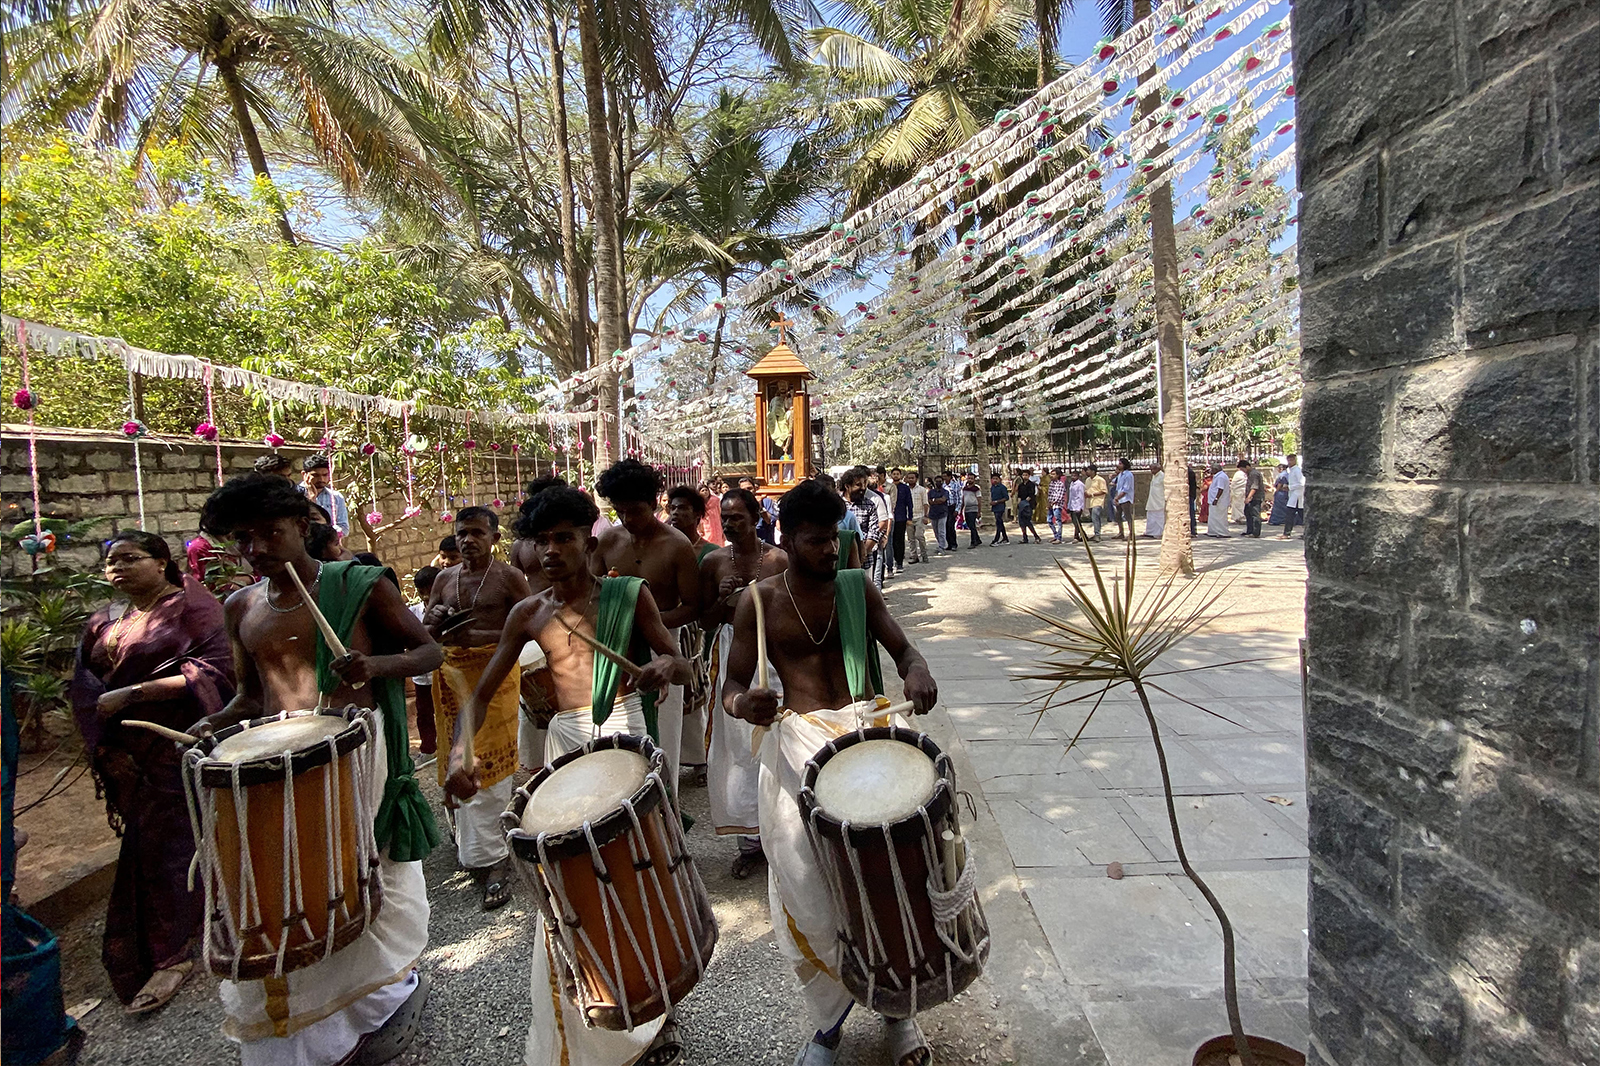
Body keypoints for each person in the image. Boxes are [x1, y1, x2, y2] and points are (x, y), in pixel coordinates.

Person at [194, 472, 441, 1066]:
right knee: (294, 892)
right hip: (278, 762)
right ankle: (320, 1026)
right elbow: (251, 698)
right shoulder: (240, 606)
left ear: (303, 526)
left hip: (354, 756)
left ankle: (382, 1002)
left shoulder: (359, 584)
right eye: (242, 540)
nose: (255, 550)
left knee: (360, 878)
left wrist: (373, 666)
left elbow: (428, 651)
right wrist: (216, 722)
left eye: (268, 534)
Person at [441, 485, 692, 1066]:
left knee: (641, 874)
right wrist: (459, 754)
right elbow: (478, 697)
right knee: (572, 886)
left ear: (589, 540)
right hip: (567, 748)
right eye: (540, 540)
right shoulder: (529, 613)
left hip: (629, 737)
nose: (550, 551)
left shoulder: (631, 597)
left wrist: (663, 666)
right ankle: (594, 996)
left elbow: (679, 663)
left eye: (564, 538)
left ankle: (659, 1009)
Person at [720, 480, 938, 1066]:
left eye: (835, 539)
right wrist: (747, 706)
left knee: (889, 881)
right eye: (816, 542)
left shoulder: (858, 588)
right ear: (786, 539)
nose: (831, 552)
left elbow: (905, 652)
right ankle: (826, 1028)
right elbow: (731, 689)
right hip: (797, 754)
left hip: (871, 746)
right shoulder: (758, 602)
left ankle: (899, 1015)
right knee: (807, 887)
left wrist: (916, 673)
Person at [68, 531, 235, 1014]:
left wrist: (136, 694)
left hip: (180, 746)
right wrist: (106, 742)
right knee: (149, 846)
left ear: (162, 562)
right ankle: (185, 930)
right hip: (126, 755)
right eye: (110, 562)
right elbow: (82, 683)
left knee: (178, 844)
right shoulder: (106, 619)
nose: (117, 568)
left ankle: (174, 953)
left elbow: (217, 671)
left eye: (130, 558)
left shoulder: (195, 609)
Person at [422, 507, 530, 910]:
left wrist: (486, 633)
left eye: (477, 533)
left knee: (486, 761)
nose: (469, 540)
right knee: (455, 756)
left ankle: (497, 860)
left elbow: (531, 623)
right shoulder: (444, 579)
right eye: (462, 533)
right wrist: (434, 620)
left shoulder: (508, 577)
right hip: (451, 678)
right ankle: (470, 847)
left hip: (497, 676)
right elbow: (428, 633)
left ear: (493, 537)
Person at [593, 459, 702, 791]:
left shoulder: (677, 546)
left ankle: (663, 803)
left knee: (661, 734)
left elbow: (694, 606)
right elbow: (591, 595)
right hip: (616, 646)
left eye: (636, 511)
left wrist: (648, 622)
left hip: (663, 646)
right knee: (619, 732)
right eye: (620, 512)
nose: (628, 520)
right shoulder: (608, 542)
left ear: (655, 505)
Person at [699, 487, 789, 877]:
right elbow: (703, 620)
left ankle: (783, 835)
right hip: (732, 658)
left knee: (778, 738)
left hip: (775, 655)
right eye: (727, 516)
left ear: (756, 516)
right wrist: (720, 601)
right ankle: (750, 844)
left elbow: (794, 608)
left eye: (739, 516)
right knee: (737, 748)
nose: (732, 523)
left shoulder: (780, 560)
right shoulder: (714, 562)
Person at [667, 484, 718, 779]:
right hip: (669, 628)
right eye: (672, 507)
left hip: (698, 633)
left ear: (698, 515)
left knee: (697, 691)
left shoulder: (710, 554)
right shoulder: (661, 545)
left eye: (683, 508)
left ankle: (700, 757)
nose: (676, 513)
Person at [409, 566, 441, 755]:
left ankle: (451, 747)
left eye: (431, 591)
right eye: (422, 592)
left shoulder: (447, 611)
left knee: (448, 711)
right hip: (422, 676)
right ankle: (428, 749)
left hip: (443, 673)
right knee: (425, 713)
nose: (426, 596)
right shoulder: (413, 613)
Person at [841, 466, 889, 590]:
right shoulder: (837, 505)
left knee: (863, 592)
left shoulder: (869, 505)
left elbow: (874, 531)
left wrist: (861, 554)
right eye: (858, 485)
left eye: (864, 484)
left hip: (865, 559)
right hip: (841, 558)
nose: (863, 488)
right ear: (847, 486)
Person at [816, 474, 865, 570]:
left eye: (834, 537)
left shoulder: (848, 516)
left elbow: (857, 568)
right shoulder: (807, 520)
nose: (831, 547)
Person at [300, 455, 349, 538]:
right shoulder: (295, 494)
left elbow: (344, 528)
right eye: (316, 475)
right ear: (304, 474)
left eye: (325, 475)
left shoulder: (336, 497)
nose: (321, 479)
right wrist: (311, 499)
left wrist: (328, 533)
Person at [888, 468, 913, 572]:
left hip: (901, 518)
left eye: (897, 474)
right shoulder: (888, 488)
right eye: (894, 474)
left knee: (900, 541)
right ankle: (891, 562)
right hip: (890, 518)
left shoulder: (905, 488)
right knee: (891, 541)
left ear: (901, 475)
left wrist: (910, 517)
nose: (896, 476)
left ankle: (899, 563)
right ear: (891, 475)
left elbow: (909, 503)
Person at [907, 472, 929, 564]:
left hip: (920, 516)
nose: (911, 479)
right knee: (911, 538)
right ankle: (914, 556)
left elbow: (925, 503)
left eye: (912, 478)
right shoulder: (905, 490)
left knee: (919, 536)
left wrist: (926, 516)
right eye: (909, 478)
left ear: (916, 479)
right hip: (909, 517)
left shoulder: (922, 490)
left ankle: (924, 555)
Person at [1282, 454, 1306, 538]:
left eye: (1291, 460)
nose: (1289, 462)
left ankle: (1287, 533)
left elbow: (1302, 483)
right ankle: (1287, 533)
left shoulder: (1297, 470)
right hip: (1293, 496)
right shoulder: (1291, 471)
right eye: (1288, 460)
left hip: (1297, 496)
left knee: (1293, 514)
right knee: (1298, 515)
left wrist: (1290, 487)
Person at [1206, 464, 1232, 537]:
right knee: (1213, 516)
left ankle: (1222, 532)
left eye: (1212, 469)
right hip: (1213, 500)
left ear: (1216, 469)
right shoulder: (1217, 476)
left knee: (1220, 518)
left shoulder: (1221, 477)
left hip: (1219, 501)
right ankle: (1213, 531)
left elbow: (1220, 489)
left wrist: (1216, 498)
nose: (1211, 470)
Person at [1084, 464, 1108, 541]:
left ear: (1093, 471)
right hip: (1089, 502)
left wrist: (1092, 494)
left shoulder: (1100, 480)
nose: (1087, 472)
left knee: (1095, 517)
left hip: (1097, 501)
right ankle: (1095, 534)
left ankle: (1097, 534)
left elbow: (1104, 491)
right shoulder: (1087, 480)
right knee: (1093, 518)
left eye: (1088, 470)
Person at [1241, 459, 1266, 538]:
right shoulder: (1250, 474)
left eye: (1243, 469)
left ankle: (1255, 532)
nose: (1243, 471)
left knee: (1255, 515)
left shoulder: (1254, 474)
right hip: (1251, 497)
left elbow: (1254, 487)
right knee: (1248, 513)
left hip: (1255, 497)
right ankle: (1249, 530)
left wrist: (1249, 497)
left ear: (1247, 466)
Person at [1112, 458, 1136, 539]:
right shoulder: (1120, 475)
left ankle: (1131, 534)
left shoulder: (1128, 475)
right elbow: (1117, 486)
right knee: (1118, 515)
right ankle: (1121, 532)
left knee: (1127, 516)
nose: (1118, 465)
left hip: (1125, 498)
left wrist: (1117, 497)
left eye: (1120, 463)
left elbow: (1126, 489)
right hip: (1119, 498)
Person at [927, 474, 950, 554]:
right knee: (936, 531)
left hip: (942, 513)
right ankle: (940, 544)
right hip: (933, 513)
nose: (938, 483)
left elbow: (943, 500)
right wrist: (937, 501)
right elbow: (929, 501)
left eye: (940, 481)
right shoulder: (931, 492)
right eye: (937, 481)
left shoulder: (945, 492)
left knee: (941, 531)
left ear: (942, 482)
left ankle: (942, 547)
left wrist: (934, 501)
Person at [1015, 468, 1038, 544]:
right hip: (1021, 504)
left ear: (1029, 476)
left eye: (1026, 475)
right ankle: (1025, 537)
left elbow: (1031, 495)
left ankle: (1036, 536)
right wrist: (1019, 503)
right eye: (1023, 475)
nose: (1024, 476)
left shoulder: (1031, 484)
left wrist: (1025, 502)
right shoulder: (1021, 485)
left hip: (1028, 505)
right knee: (1022, 522)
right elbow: (1019, 495)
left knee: (1027, 521)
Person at [1144, 461, 1166, 538]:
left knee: (1159, 517)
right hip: (1152, 500)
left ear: (1158, 469)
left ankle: (1159, 533)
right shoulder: (1155, 476)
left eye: (1153, 469)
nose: (1151, 471)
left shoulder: (1162, 476)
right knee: (1151, 516)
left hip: (1159, 501)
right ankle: (1150, 532)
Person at [989, 473, 1011, 545]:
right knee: (1000, 522)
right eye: (993, 479)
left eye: (996, 479)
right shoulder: (992, 487)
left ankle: (996, 539)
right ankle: (1005, 538)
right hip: (994, 507)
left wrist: (997, 502)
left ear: (999, 479)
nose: (995, 480)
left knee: (998, 522)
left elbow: (1006, 498)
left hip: (1000, 507)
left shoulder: (1002, 487)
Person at [700, 480, 724, 545]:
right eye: (703, 491)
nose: (705, 492)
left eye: (706, 490)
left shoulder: (716, 500)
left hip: (717, 526)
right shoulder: (699, 504)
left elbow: (720, 513)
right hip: (705, 527)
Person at [1046, 468, 1067, 543]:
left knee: (1058, 521)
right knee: (1049, 520)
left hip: (1057, 505)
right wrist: (1048, 503)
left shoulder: (1060, 484)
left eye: (1054, 474)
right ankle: (1055, 535)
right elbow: (1049, 494)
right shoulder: (1051, 483)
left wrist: (1053, 502)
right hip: (1051, 505)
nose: (1051, 476)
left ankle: (1059, 538)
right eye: (1051, 474)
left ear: (1058, 475)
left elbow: (1060, 496)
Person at [962, 474, 983, 547]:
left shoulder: (976, 489)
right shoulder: (964, 489)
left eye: (971, 478)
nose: (970, 480)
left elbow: (979, 500)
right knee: (969, 525)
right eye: (969, 478)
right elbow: (963, 498)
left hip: (974, 508)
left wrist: (979, 511)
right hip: (967, 508)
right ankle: (978, 539)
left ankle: (973, 542)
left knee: (972, 525)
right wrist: (961, 508)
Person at [1068, 468, 1087, 541]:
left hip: (1077, 506)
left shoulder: (1080, 485)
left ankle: (1076, 536)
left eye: (1075, 476)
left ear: (1078, 477)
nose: (1073, 477)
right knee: (1075, 522)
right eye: (1072, 476)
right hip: (1072, 505)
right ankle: (1083, 536)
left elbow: (1081, 497)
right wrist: (1069, 506)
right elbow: (1071, 496)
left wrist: (1080, 507)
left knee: (1077, 522)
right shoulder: (1072, 484)